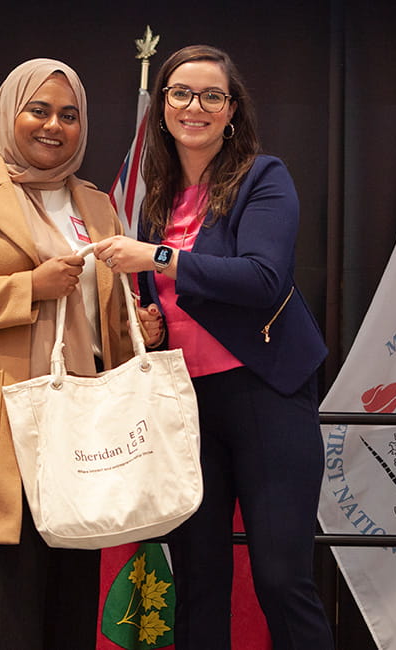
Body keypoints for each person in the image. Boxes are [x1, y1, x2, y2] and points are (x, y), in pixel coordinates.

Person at [0, 59, 157, 650]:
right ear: (8, 114)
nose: (53, 126)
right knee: (3, 616)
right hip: (2, 432)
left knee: (70, 610)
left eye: (69, 115)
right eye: (38, 110)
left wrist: (135, 330)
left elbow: (101, 315)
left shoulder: (97, 205)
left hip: (84, 437)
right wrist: (28, 288)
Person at [95, 44, 334, 649]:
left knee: (281, 578)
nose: (194, 106)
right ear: (162, 107)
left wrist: (157, 257)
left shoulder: (263, 177)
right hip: (185, 404)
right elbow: (167, 299)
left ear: (231, 111)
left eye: (211, 95)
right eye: (180, 93)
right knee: (198, 581)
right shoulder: (154, 198)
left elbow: (263, 278)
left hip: (265, 393)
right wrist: (151, 327)